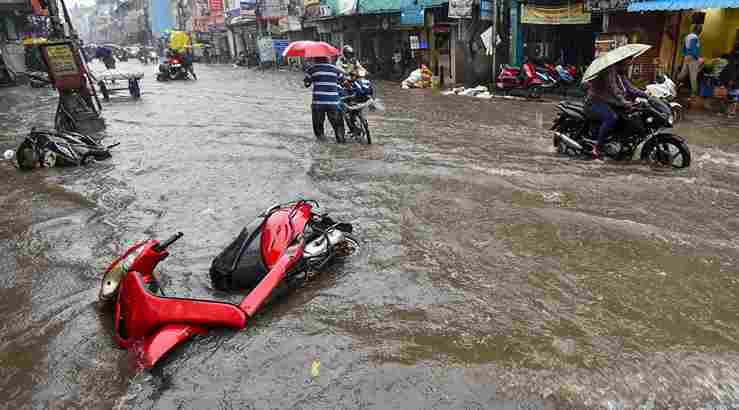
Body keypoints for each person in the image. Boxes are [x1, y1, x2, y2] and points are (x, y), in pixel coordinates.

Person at [585, 59, 648, 158]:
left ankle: (619, 141)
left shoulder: (620, 74)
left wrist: (648, 96)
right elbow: (613, 89)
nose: (629, 65)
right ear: (622, 61)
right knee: (611, 117)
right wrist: (624, 102)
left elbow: (631, 88)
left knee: (628, 116)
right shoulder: (609, 71)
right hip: (595, 102)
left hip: (609, 103)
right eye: (628, 62)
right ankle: (597, 147)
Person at [304, 56, 346, 143]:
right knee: (338, 126)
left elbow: (307, 84)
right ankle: (341, 141)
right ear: (328, 59)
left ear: (316, 59)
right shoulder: (336, 69)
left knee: (319, 129)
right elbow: (343, 82)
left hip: (318, 103)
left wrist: (308, 80)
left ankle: (322, 142)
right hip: (334, 102)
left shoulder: (312, 69)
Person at [678, 25, 703, 98]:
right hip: (693, 58)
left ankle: (675, 85)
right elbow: (694, 48)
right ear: (698, 30)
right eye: (700, 30)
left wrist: (685, 55)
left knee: (683, 73)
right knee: (693, 76)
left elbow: (683, 48)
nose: (700, 32)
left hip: (686, 57)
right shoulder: (695, 37)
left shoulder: (687, 36)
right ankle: (694, 93)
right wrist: (697, 58)